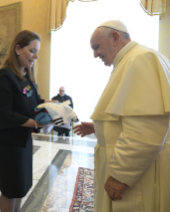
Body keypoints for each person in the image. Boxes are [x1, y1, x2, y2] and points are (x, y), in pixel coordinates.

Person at [73, 20, 170, 212]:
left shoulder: (141, 59)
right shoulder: (131, 60)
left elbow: (146, 130)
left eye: (96, 47)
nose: (94, 55)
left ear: (115, 38)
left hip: (137, 177)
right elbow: (133, 115)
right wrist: (100, 127)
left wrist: (120, 176)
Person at [0, 30, 45, 212]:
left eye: (37, 51)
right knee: (10, 189)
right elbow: (6, 114)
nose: (36, 56)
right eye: (32, 51)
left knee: (20, 187)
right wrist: (36, 123)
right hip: (8, 141)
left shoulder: (28, 77)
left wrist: (52, 108)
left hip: (22, 140)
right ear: (17, 49)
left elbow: (36, 103)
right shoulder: (5, 76)